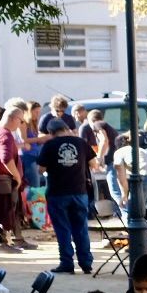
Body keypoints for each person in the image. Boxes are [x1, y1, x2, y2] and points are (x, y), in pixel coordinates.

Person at [37, 117, 96, 273]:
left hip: (58, 193)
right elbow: (94, 164)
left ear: (50, 132)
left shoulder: (49, 145)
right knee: (81, 227)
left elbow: (40, 170)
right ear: (65, 128)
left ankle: (67, 262)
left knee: (63, 229)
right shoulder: (81, 142)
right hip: (80, 192)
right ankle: (86, 263)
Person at [0, 103, 29, 253]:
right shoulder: (4, 134)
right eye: (21, 121)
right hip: (4, 179)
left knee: (8, 210)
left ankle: (15, 240)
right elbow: (6, 159)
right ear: (14, 119)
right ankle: (1, 243)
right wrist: (17, 176)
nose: (21, 124)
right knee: (3, 211)